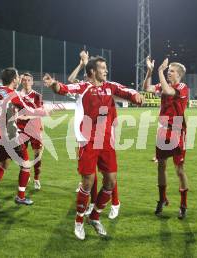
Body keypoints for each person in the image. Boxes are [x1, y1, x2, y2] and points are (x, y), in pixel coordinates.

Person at [43, 55, 143, 240]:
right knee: (87, 183)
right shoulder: (84, 87)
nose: (105, 70)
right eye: (102, 68)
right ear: (92, 72)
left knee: (111, 182)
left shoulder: (110, 86)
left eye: (105, 67)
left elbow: (127, 91)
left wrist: (136, 96)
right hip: (88, 140)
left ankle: (95, 216)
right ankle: (79, 221)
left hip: (106, 141)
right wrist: (53, 84)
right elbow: (65, 88)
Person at [0, 67, 48, 208]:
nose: (20, 79)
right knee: (26, 166)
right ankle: (20, 196)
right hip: (10, 136)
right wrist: (44, 111)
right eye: (18, 76)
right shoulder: (13, 94)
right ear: (14, 79)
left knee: (2, 164)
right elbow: (28, 109)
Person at [68, 51, 121, 220]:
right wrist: (82, 63)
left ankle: (115, 203)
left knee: (109, 172)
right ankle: (92, 203)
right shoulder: (85, 88)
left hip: (104, 131)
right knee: (91, 173)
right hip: (84, 133)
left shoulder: (106, 88)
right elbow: (70, 81)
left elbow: (112, 108)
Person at [143, 57, 189, 219]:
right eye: (168, 70)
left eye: (172, 71)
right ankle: (162, 199)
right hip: (163, 129)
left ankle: (183, 204)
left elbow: (169, 92)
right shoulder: (164, 85)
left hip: (176, 129)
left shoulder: (182, 87)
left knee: (179, 169)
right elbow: (146, 88)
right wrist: (150, 71)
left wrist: (160, 72)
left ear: (179, 75)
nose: (169, 73)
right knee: (161, 166)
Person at [17, 73, 44, 190]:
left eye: (29, 80)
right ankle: (25, 173)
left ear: (32, 82)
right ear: (21, 82)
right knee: (22, 156)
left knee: (37, 155)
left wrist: (28, 117)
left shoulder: (37, 96)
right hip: (21, 129)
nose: (26, 82)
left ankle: (36, 178)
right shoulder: (17, 96)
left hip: (34, 129)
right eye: (24, 80)